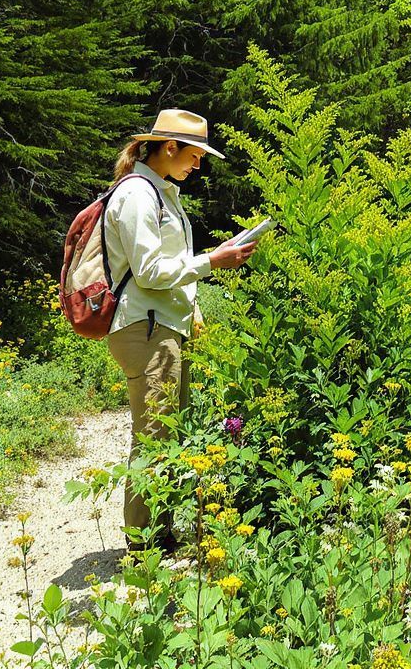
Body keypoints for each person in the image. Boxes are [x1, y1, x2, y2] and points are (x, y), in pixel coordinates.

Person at [104, 108, 255, 552]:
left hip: (165, 324)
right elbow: (149, 271)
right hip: (144, 329)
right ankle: (143, 546)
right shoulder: (136, 194)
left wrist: (194, 309)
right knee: (154, 435)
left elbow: (167, 269)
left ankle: (161, 535)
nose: (198, 164)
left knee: (169, 432)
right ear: (170, 148)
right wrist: (213, 261)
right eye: (195, 155)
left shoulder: (162, 192)